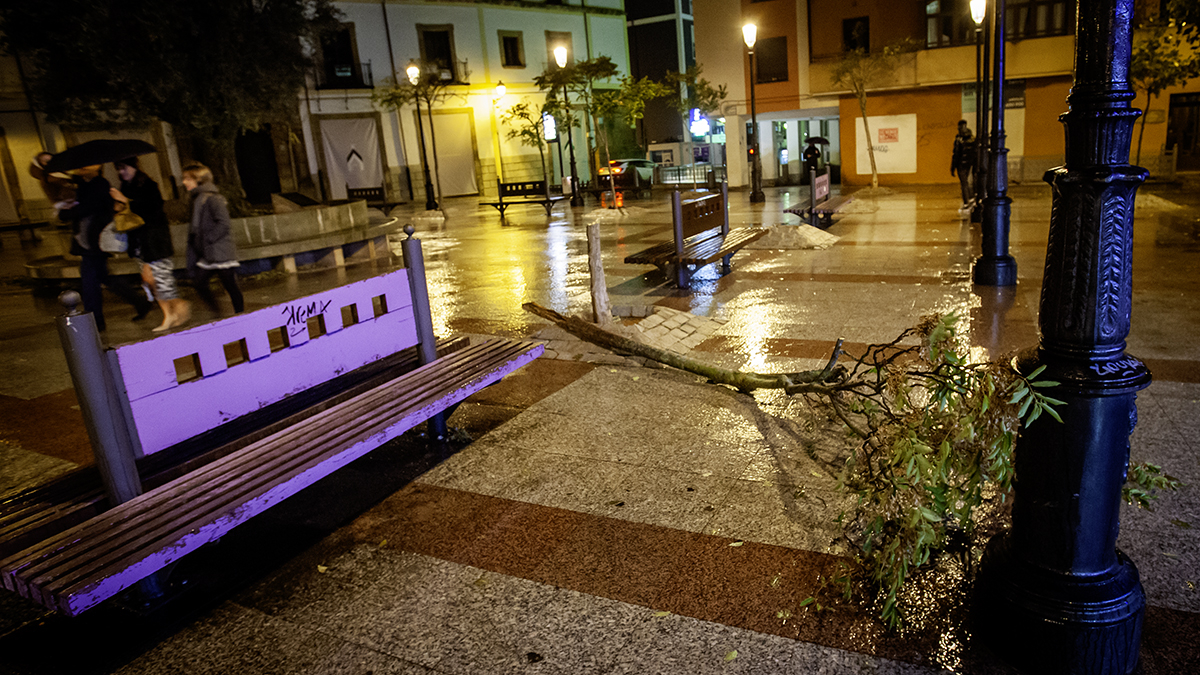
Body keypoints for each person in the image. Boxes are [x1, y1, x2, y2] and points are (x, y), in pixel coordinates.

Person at [58, 164, 151, 332]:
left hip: (95, 240)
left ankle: (95, 322)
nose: (82, 168)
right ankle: (139, 302)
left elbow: (89, 208)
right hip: (87, 239)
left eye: (87, 166)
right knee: (102, 277)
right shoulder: (83, 184)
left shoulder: (100, 184)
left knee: (90, 282)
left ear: (97, 167)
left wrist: (66, 213)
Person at [111, 158, 190, 332]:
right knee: (150, 281)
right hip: (139, 243)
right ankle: (171, 312)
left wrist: (126, 201)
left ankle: (176, 309)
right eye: (118, 168)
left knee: (161, 280)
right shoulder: (125, 187)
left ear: (133, 166)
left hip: (155, 242)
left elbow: (152, 211)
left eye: (124, 168)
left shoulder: (148, 185)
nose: (121, 172)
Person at [182, 163, 243, 315]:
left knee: (230, 285)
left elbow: (224, 223)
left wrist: (209, 238)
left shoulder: (213, 198)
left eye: (187, 179)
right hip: (208, 253)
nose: (184, 182)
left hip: (220, 252)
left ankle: (240, 315)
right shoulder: (196, 199)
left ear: (199, 179)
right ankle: (218, 314)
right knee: (200, 283)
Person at [951, 120, 977, 214]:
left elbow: (956, 154)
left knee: (964, 184)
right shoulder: (972, 138)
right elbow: (975, 152)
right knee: (969, 183)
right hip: (970, 163)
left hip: (961, 164)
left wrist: (953, 167)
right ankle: (971, 200)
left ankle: (966, 204)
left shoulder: (958, 139)